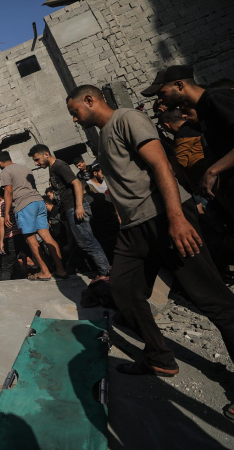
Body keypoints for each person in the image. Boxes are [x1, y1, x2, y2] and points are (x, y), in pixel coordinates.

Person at [66, 84, 234, 421]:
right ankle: (159, 357)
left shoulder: (128, 119)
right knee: (123, 291)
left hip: (165, 218)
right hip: (134, 229)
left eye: (75, 111)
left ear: (90, 100)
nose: (74, 117)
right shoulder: (103, 137)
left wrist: (176, 219)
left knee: (211, 299)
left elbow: (161, 167)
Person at [155, 65, 234, 211]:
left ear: (179, 85)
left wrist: (212, 171)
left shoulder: (216, 98)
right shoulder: (203, 109)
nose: (160, 99)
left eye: (162, 93)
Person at [29, 145, 110, 279]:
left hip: (75, 207)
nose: (37, 163)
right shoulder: (53, 168)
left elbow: (77, 183)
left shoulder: (59, 165)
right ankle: (75, 270)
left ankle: (105, 272)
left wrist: (78, 206)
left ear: (46, 155)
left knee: (88, 242)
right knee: (81, 243)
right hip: (69, 209)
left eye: (37, 159)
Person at [0, 151, 68, 281]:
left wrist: (6, 213)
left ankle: (45, 272)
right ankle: (61, 270)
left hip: (24, 206)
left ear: (0, 163)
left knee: (30, 239)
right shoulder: (25, 168)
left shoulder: (5, 172)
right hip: (38, 202)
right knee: (48, 237)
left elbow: (8, 192)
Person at [158, 108, 210, 193]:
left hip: (204, 183)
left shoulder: (182, 135)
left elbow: (180, 164)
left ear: (167, 125)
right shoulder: (195, 125)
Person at [0, 187, 27, 280]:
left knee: (6, 266)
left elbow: (1, 224)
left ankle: (6, 288)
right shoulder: (11, 201)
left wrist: (1, 241)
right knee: (34, 254)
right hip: (23, 233)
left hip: (11, 237)